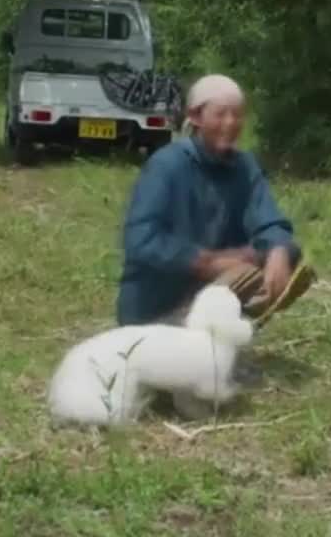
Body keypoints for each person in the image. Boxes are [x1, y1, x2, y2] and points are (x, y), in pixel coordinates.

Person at [116, 74, 315, 415]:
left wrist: (278, 251)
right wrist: (208, 262)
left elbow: (271, 222)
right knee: (243, 273)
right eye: (220, 114)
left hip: (210, 292)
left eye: (237, 115)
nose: (230, 123)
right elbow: (140, 239)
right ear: (195, 117)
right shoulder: (167, 166)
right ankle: (183, 363)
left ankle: (221, 355)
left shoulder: (244, 166)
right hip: (154, 306)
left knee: (290, 263)